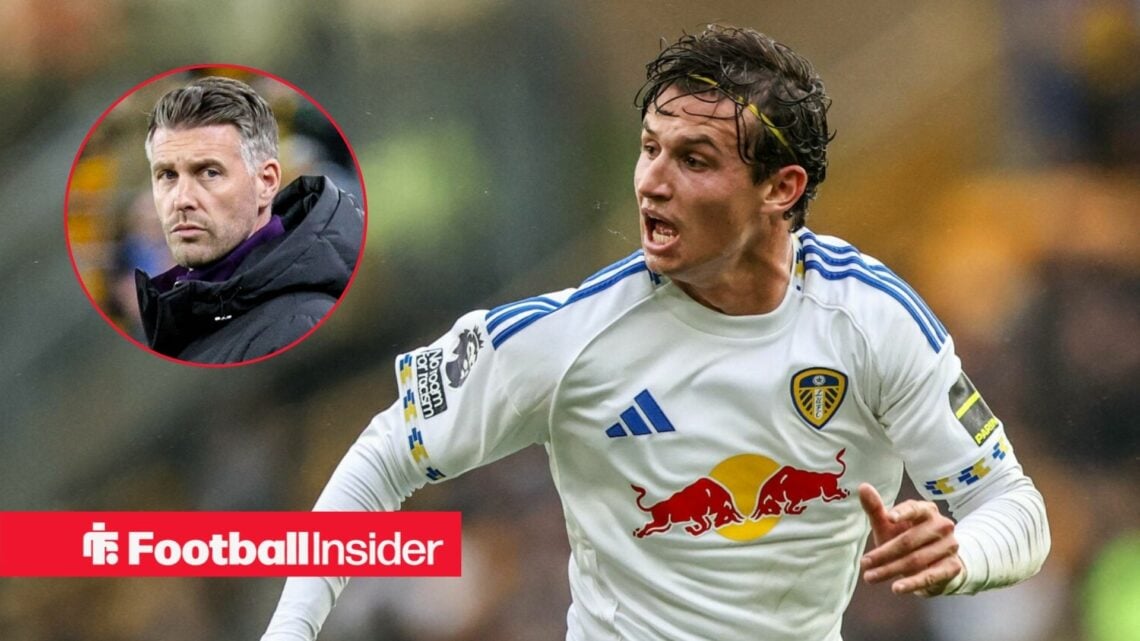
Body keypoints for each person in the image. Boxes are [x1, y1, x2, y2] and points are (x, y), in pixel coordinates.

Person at [261, 25, 1050, 640]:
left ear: (782, 187)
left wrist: (964, 554)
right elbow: (379, 458)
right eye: (650, 147)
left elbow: (1014, 506)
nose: (653, 180)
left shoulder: (871, 324)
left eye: (694, 158)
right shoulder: (569, 337)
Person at [135, 76, 363, 364]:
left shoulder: (296, 324)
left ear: (266, 182)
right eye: (167, 175)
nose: (181, 200)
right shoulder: (190, 309)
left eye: (209, 173)